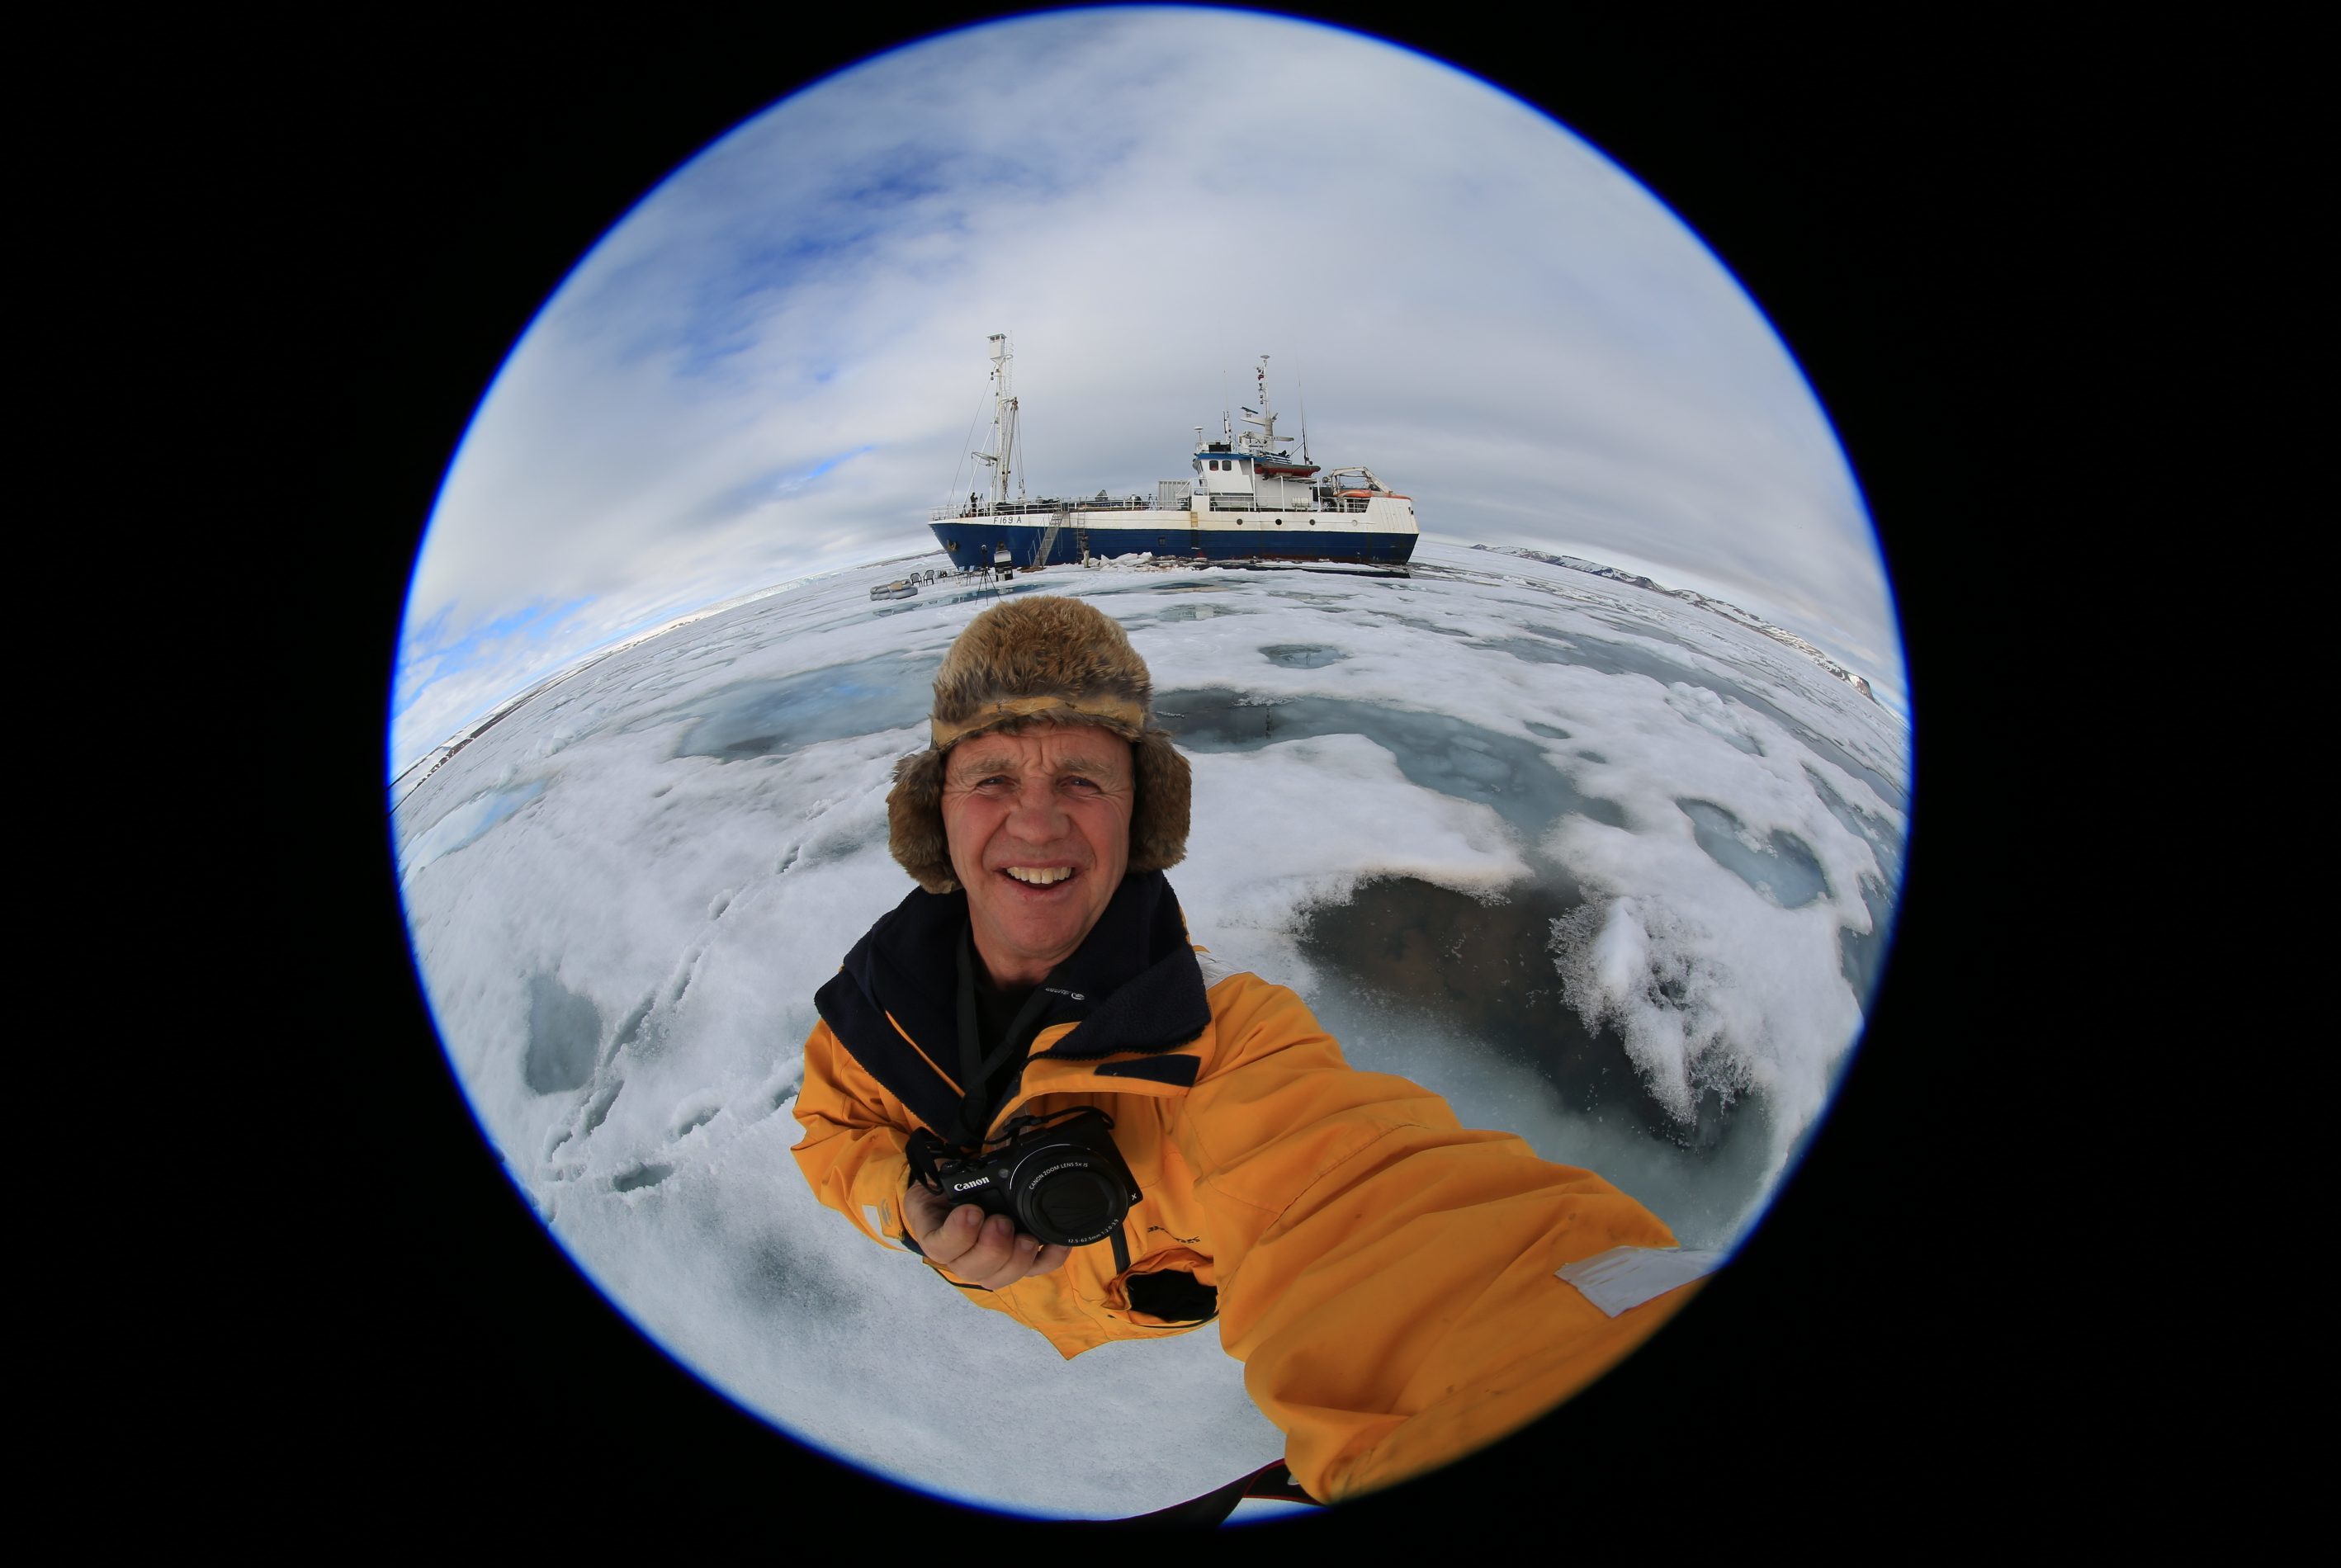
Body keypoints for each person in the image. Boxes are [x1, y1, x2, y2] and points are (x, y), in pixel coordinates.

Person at [792, 595, 1712, 1508]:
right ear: (937, 812)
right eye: (992, 779)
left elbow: (1370, 1210)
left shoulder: (1221, 1048)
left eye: (1082, 780)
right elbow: (830, 1134)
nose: (1035, 824)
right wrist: (904, 1205)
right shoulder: (869, 1012)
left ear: (1138, 815)